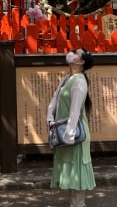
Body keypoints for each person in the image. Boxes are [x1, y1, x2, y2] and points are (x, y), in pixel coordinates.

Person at [47, 47, 96, 207]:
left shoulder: (79, 81)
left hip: (74, 134)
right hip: (65, 133)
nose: (71, 54)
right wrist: (50, 119)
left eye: (76, 53)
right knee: (70, 174)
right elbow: (54, 100)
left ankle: (79, 204)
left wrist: (68, 135)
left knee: (78, 175)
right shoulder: (67, 79)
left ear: (81, 62)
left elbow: (75, 111)